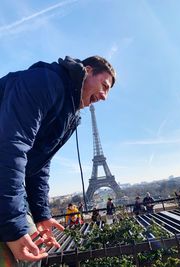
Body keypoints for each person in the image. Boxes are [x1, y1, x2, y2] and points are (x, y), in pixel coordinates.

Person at [0, 55, 116, 264]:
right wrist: (14, 225)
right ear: (88, 71)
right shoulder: (44, 82)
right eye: (105, 86)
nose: (105, 96)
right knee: (25, 257)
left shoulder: (69, 114)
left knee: (32, 256)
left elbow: (40, 165)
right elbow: (11, 149)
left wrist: (42, 214)